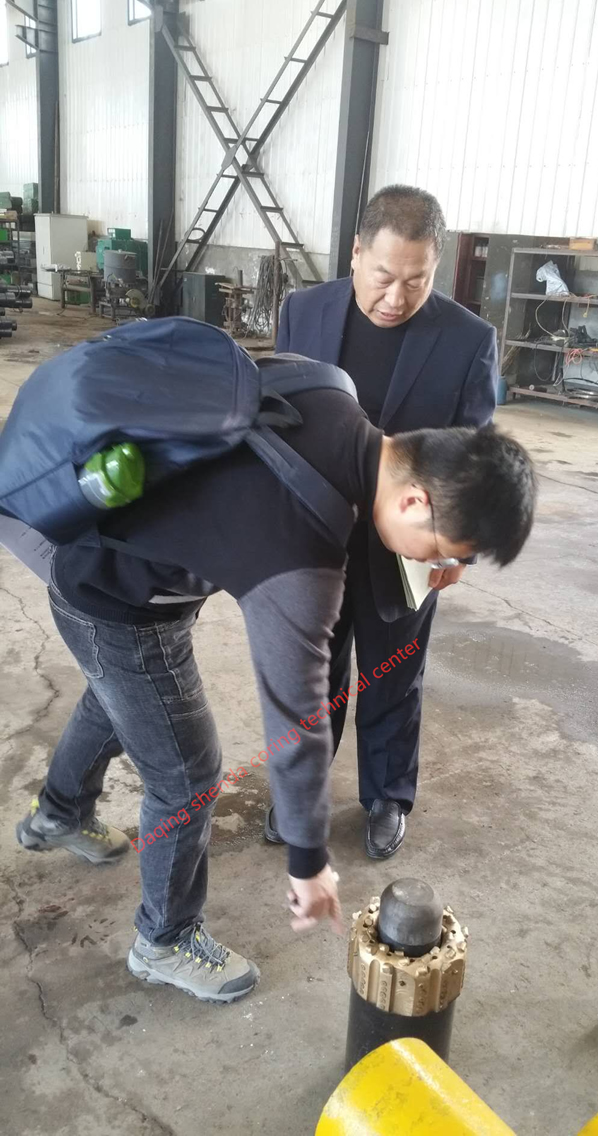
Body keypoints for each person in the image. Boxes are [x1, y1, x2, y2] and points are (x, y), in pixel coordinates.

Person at [16, 368, 535, 1006]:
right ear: (414, 502)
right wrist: (310, 861)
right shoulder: (301, 556)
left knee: (118, 698)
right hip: (114, 597)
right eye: (443, 552)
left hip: (111, 553)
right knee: (187, 774)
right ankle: (164, 940)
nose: (438, 567)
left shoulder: (329, 389)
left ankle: (59, 814)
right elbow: (297, 719)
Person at [270, 185, 498, 859]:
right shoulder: (304, 312)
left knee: (394, 671)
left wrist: (458, 549)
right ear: (356, 253)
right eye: (383, 277)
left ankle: (387, 795)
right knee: (313, 675)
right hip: (316, 536)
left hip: (408, 546)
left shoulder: (468, 341)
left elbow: (474, 457)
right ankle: (303, 794)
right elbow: (279, 417)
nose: (396, 297)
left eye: (416, 281)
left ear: (435, 267)